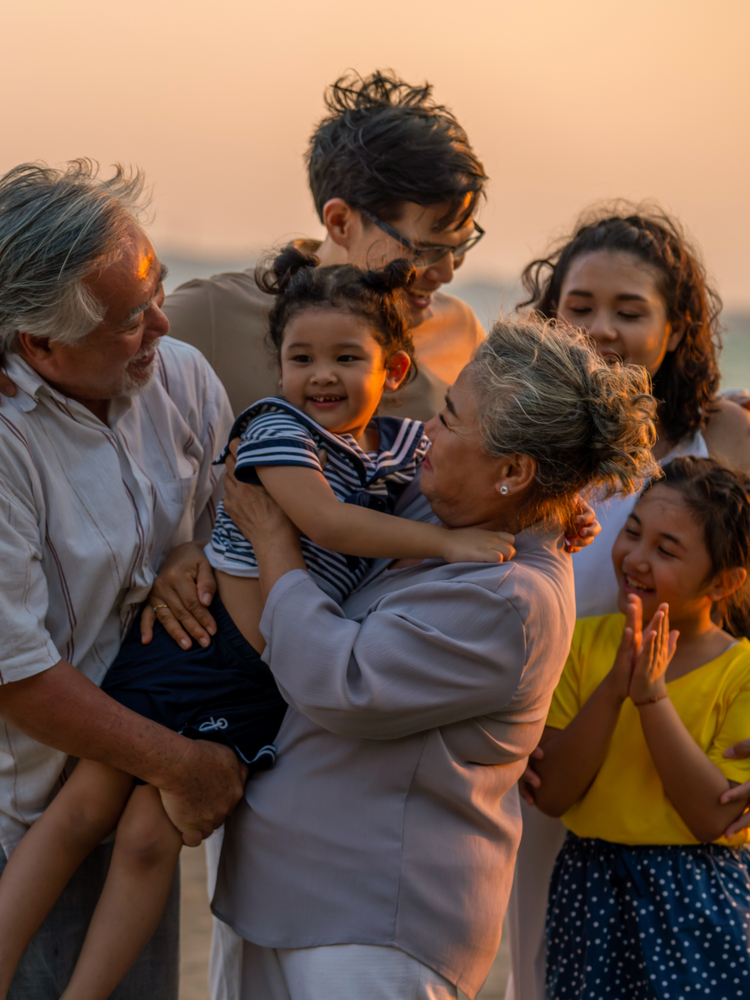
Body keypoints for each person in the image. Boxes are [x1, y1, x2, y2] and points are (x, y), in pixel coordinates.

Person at [0, 248, 515, 1000]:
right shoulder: (279, 431)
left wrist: (554, 518)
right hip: (195, 646)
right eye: (300, 357)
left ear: (394, 372)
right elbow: (322, 522)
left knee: (147, 841)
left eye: (347, 357)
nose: (321, 375)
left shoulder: (400, 452)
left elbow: (476, 463)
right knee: (84, 810)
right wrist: (446, 542)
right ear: (277, 370)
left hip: (260, 689)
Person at [152, 314, 658, 1000]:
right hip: (289, 897)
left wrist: (274, 544)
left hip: (374, 925)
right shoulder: (444, 505)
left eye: (449, 420)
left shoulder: (511, 597)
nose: (427, 429)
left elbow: (339, 683)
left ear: (513, 472)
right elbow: (340, 475)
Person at [0, 160, 245, 1000]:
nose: (162, 327)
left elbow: (237, 530)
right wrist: (182, 765)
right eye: (131, 320)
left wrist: (195, 557)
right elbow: (16, 673)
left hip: (128, 810)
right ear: (39, 344)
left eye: (158, 293)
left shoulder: (180, 378)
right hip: (18, 822)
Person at [505, 205, 750, 1000]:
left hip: (686, 787)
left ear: (676, 329)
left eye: (630, 310)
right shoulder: (524, 451)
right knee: (539, 978)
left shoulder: (723, 444)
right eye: (579, 308)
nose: (601, 329)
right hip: (545, 776)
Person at [533, 457, 750, 997]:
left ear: (724, 582)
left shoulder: (741, 672)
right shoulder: (580, 643)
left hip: (699, 894)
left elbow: (711, 817)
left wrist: (651, 696)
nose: (635, 558)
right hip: (589, 886)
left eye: (666, 549)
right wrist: (613, 690)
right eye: (632, 533)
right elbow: (552, 793)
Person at [157, 70, 488, 421]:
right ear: (341, 222)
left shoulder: (461, 332)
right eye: (424, 250)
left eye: (459, 248)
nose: (446, 272)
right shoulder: (210, 316)